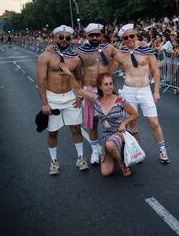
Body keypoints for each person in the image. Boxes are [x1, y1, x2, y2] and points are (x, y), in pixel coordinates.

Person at [59, 65, 138, 177]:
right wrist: (70, 75)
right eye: (106, 84)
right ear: (100, 87)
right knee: (106, 172)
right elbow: (79, 89)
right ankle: (117, 154)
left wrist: (124, 123)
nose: (109, 87)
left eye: (111, 84)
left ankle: (122, 164)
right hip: (107, 135)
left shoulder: (120, 100)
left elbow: (135, 114)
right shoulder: (96, 99)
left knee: (110, 144)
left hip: (120, 134)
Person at [108, 24, 170, 164]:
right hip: (128, 91)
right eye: (126, 37)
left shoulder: (147, 51)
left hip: (145, 90)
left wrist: (156, 91)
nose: (129, 39)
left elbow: (156, 71)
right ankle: (136, 151)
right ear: (122, 39)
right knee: (132, 123)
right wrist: (111, 52)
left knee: (154, 122)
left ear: (136, 36)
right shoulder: (120, 54)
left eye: (132, 36)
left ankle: (162, 150)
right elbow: (109, 70)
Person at [37, 25, 88, 175]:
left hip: (70, 97)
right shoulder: (45, 57)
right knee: (53, 132)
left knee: (76, 129)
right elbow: (41, 83)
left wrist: (80, 96)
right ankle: (54, 161)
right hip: (52, 98)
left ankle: (80, 158)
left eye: (67, 38)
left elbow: (80, 79)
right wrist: (45, 103)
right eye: (61, 37)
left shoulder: (75, 58)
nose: (64, 40)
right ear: (54, 38)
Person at [76, 23, 118, 165]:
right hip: (90, 90)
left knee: (113, 122)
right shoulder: (80, 51)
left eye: (97, 35)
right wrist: (52, 49)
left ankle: (114, 147)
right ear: (86, 36)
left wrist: (110, 71)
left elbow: (122, 56)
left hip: (107, 90)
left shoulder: (109, 48)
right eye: (91, 35)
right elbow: (71, 67)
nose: (95, 37)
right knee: (92, 123)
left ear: (101, 35)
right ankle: (95, 151)